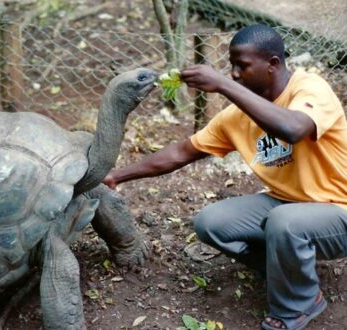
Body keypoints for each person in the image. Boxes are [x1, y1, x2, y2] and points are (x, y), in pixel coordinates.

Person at [103, 24, 347, 330]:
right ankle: (288, 274)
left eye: (242, 66)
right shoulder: (237, 117)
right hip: (285, 205)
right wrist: (116, 176)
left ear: (272, 64)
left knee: (286, 222)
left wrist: (221, 85)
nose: (233, 74)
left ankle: (296, 306)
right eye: (230, 67)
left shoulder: (310, 89)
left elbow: (293, 129)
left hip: (338, 211)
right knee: (212, 223)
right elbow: (181, 152)